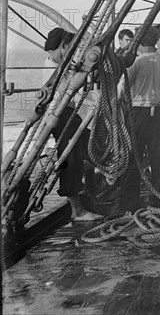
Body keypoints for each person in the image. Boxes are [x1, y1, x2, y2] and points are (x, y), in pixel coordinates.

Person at [118, 26, 160, 213]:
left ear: (138, 42)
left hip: (137, 115)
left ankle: (129, 207)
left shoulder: (134, 64)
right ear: (155, 41)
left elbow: (120, 93)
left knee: (132, 162)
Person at [43, 28, 103, 221]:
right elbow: (64, 91)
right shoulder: (52, 66)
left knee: (85, 153)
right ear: (64, 45)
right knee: (70, 161)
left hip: (68, 114)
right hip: (60, 116)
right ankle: (77, 211)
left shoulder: (59, 63)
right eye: (70, 46)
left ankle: (87, 193)